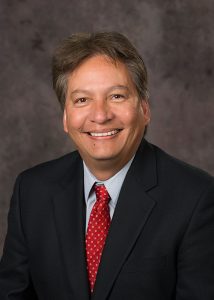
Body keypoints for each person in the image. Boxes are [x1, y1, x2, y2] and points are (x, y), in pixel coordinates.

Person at [0, 32, 213, 300]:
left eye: (117, 96)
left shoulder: (197, 198)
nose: (100, 115)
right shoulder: (32, 190)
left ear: (144, 109)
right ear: (66, 118)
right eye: (82, 100)